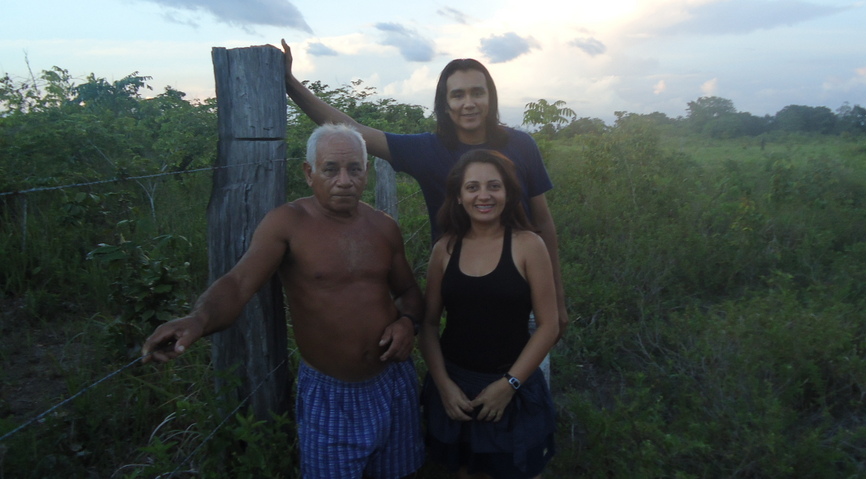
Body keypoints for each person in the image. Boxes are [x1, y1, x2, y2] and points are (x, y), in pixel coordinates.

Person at [142, 124, 426, 479]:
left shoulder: (383, 227)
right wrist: (198, 320)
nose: (344, 180)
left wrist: (407, 323)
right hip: (331, 393)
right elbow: (239, 281)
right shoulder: (289, 224)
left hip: (392, 381)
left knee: (399, 472)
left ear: (366, 172)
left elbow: (409, 293)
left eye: (354, 169)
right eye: (330, 169)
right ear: (309, 173)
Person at [281, 39, 568, 339]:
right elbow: (356, 132)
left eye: (477, 92)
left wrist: (557, 298)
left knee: (526, 367)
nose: (468, 103)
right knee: (466, 359)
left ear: (490, 98)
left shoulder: (522, 146)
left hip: (523, 285)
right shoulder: (427, 150)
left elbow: (543, 222)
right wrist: (292, 85)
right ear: (445, 104)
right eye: (457, 95)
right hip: (463, 291)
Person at [418, 149, 559, 479]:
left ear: (508, 193)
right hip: (456, 390)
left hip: (513, 386)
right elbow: (427, 324)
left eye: (494, 186)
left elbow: (548, 326)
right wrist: (443, 385)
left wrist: (509, 384)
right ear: (457, 195)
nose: (484, 195)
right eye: (472, 187)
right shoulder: (445, 249)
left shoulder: (528, 245)